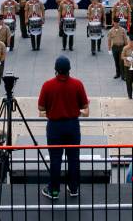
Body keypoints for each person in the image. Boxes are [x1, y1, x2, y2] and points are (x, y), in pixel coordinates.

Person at [38, 56, 90, 200]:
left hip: (55, 127)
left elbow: (41, 107)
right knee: (73, 158)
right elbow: (86, 108)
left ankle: (54, 191)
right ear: (69, 69)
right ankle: (74, 188)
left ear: (55, 69)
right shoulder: (77, 84)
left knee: (55, 159)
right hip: (72, 125)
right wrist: (74, 110)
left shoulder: (47, 85)